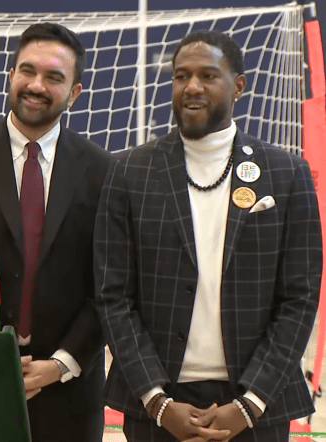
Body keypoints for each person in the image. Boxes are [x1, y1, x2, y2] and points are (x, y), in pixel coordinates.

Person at [95, 30, 322, 442]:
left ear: (238, 86)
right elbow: (114, 297)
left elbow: (300, 297)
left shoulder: (287, 174)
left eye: (207, 75)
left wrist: (250, 404)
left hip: (256, 405)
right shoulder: (128, 172)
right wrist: (157, 402)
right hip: (158, 406)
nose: (192, 87)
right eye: (181, 76)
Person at [0, 23, 110, 441]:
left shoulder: (105, 172)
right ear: (11, 76)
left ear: (74, 92)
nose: (37, 85)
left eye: (54, 77)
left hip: (70, 388)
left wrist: (61, 363)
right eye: (27, 71)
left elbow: (113, 286)